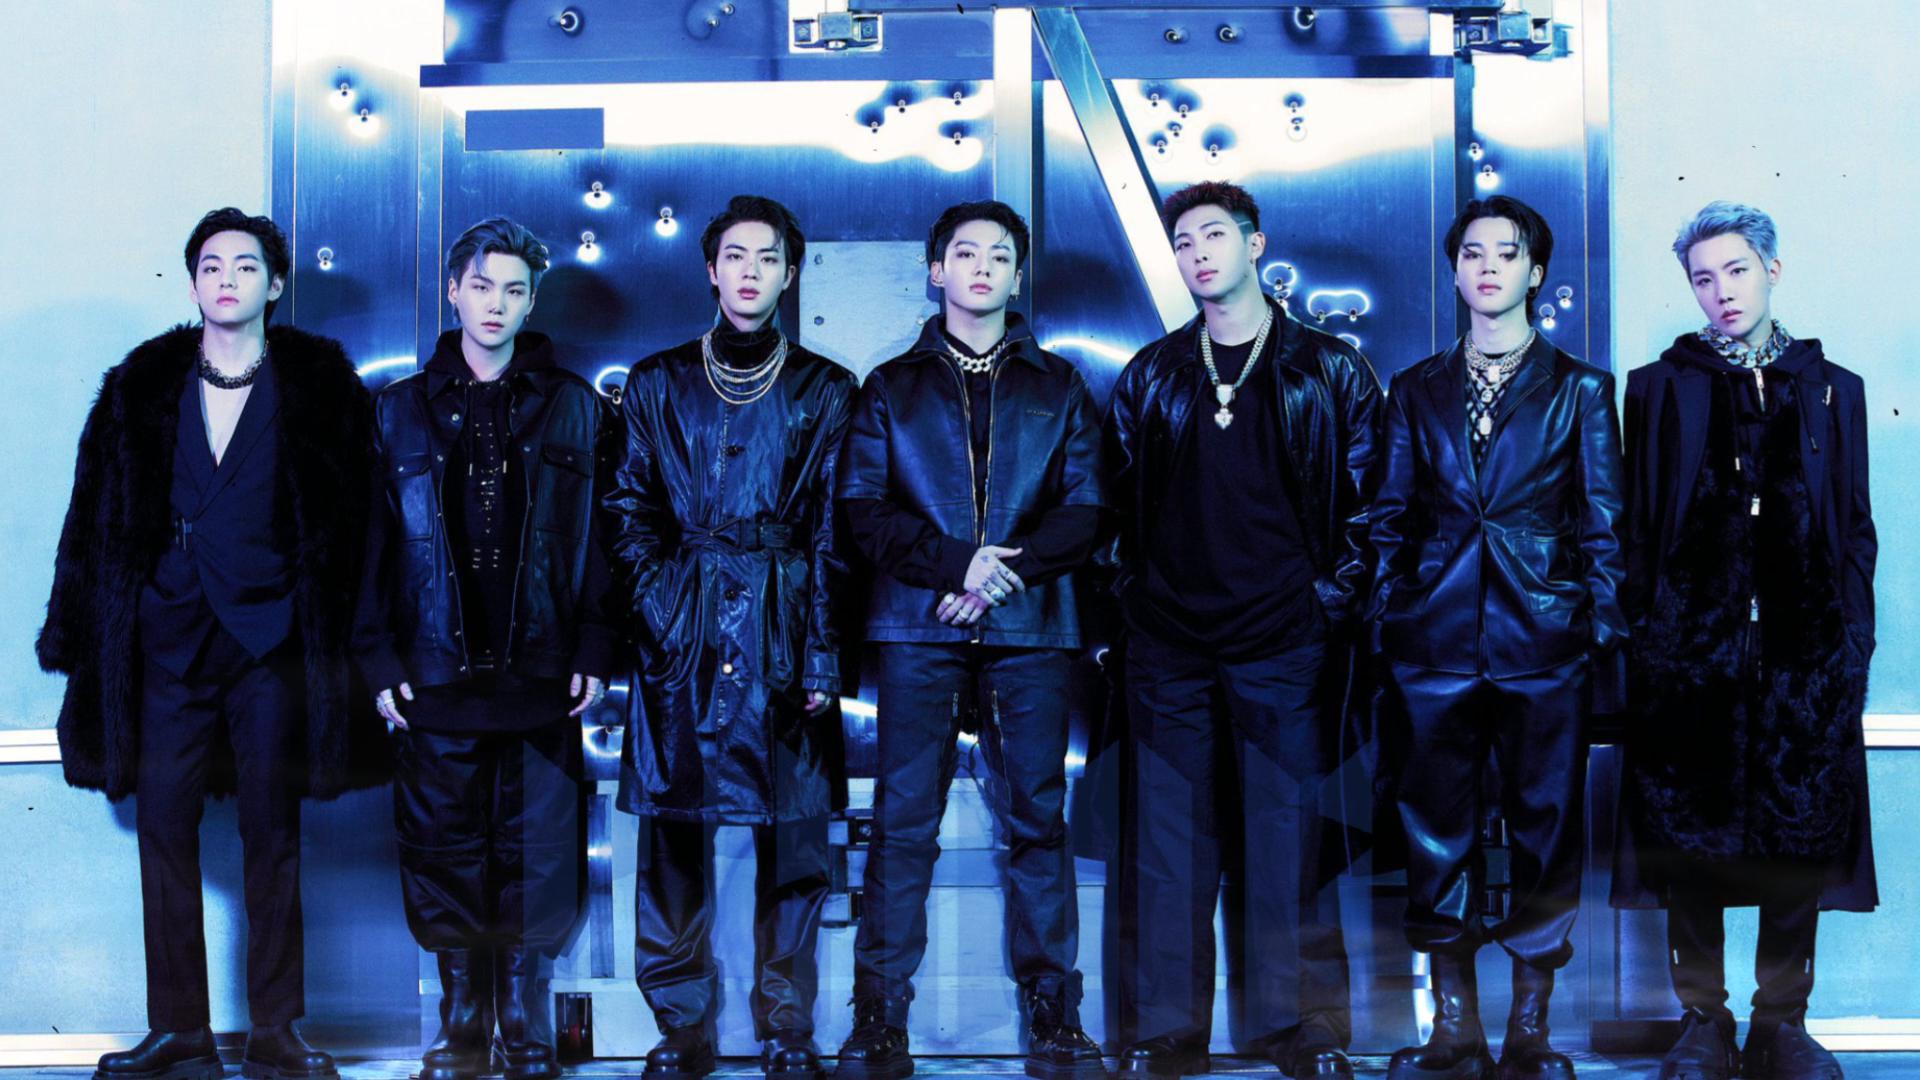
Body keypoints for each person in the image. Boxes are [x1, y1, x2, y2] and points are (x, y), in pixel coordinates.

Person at [39, 207, 377, 1080]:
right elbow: (91, 512)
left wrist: (355, 642)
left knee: (274, 832)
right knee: (163, 829)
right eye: (213, 267)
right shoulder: (141, 383)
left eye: (246, 266)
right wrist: (75, 630)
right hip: (168, 637)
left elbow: (359, 523)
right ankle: (180, 1032)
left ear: (275, 282)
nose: (228, 280)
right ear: (193, 284)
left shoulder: (319, 385)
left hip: (270, 640)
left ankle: (276, 1033)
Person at [1104, 181, 1379, 1080]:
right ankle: (1165, 1034)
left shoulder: (1329, 369)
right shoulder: (1153, 372)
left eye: (1214, 235)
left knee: (1287, 840)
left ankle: (1300, 1031)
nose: (1198, 254)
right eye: (1184, 242)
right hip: (1169, 646)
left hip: (1286, 641)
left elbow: (1375, 507)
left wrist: (1326, 603)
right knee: (1169, 845)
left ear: (1255, 245)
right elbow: (1111, 505)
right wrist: (1135, 606)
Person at [833, 200, 1107, 1080]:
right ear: (935, 270)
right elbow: (862, 510)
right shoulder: (890, 387)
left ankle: (1056, 1020)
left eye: (998, 255)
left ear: (1017, 276)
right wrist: (956, 566)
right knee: (902, 823)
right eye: (965, 252)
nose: (981, 266)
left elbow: (1088, 507)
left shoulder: (1060, 385)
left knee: (1038, 821)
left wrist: (995, 577)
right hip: (918, 625)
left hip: (1031, 626)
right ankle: (880, 1020)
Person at [1611, 201, 1876, 1080]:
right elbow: (1636, 528)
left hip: (1804, 654)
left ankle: (1781, 1024)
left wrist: (1850, 646)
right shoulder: (1658, 386)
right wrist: (1649, 637)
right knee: (1690, 840)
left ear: (1771, 270)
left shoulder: (1832, 388)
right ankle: (1703, 1023)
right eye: (1703, 278)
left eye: (1736, 270)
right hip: (1689, 656)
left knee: (1797, 839)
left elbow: (1854, 529)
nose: (1721, 291)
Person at [356, 217, 620, 1080]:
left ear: (532, 300)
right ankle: (462, 1021)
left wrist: (593, 645)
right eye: (481, 286)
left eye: (514, 290)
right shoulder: (396, 410)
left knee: (535, 850)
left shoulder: (577, 407)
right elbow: (367, 549)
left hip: (541, 670)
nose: (496, 305)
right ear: (453, 291)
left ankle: (521, 1016)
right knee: (443, 848)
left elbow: (605, 540)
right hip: (435, 672)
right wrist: (380, 660)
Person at [1368, 195, 1626, 1080]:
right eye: (1472, 254)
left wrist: (1596, 633)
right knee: (1432, 828)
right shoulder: (1415, 388)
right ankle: (1454, 1032)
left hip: (1544, 640)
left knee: (1546, 831)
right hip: (1432, 641)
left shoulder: (1582, 389)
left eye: (1505, 254)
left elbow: (1604, 526)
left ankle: (1529, 1033)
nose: (1487, 268)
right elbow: (1389, 518)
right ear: (1454, 271)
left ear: (1535, 272)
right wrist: (1391, 618)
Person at [608, 195, 855, 1080]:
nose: (751, 272)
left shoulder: (827, 388)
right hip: (682, 621)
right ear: (711, 269)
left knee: (796, 836)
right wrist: (661, 610)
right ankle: (682, 1027)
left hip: (785, 621)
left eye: (768, 258)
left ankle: (787, 1027)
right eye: (736, 257)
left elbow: (835, 529)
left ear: (790, 274)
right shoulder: (658, 381)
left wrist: (820, 650)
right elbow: (627, 508)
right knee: (674, 837)